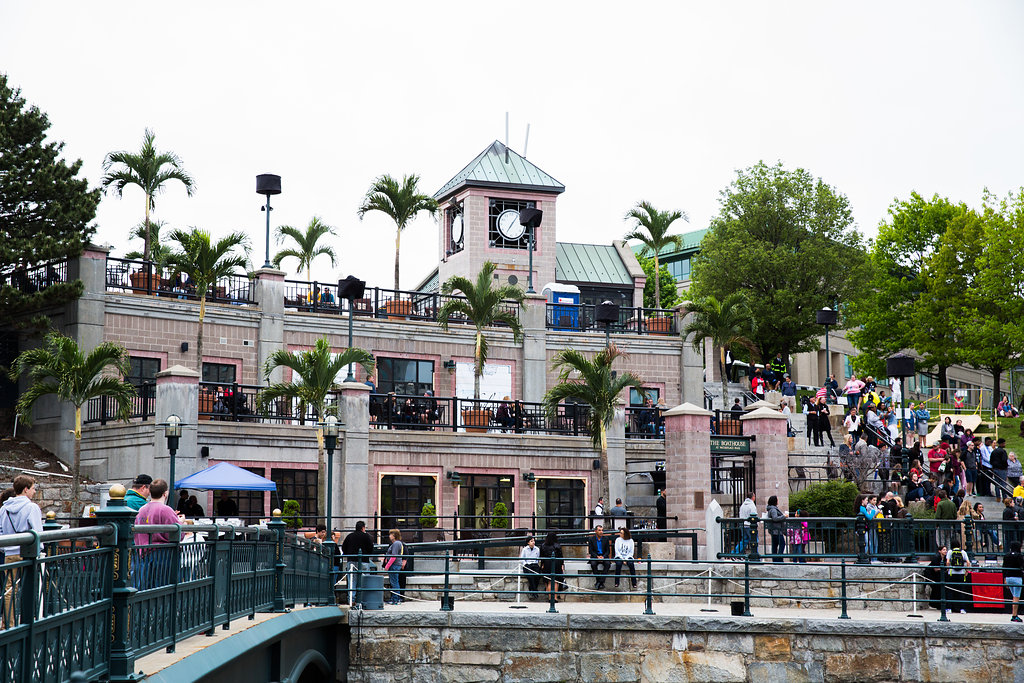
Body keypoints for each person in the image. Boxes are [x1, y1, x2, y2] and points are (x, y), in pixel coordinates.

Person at [1, 475, 42, 627]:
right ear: (26, 489)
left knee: (9, 589)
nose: (34, 492)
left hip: (9, 554)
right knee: (29, 586)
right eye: (33, 489)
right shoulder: (31, 508)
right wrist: (40, 551)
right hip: (27, 553)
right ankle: (28, 622)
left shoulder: (4, 509)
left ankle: (8, 624)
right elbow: (37, 531)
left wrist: (6, 548)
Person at [133, 479, 185, 590]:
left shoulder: (142, 510)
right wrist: (180, 523)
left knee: (146, 588)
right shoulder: (166, 510)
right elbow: (178, 535)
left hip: (144, 552)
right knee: (163, 588)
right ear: (165, 493)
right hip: (163, 555)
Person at [946, 544, 971, 614]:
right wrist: (967, 571)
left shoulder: (950, 552)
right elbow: (968, 562)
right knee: (961, 591)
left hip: (951, 573)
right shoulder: (963, 552)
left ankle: (949, 608)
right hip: (961, 574)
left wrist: (947, 569)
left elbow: (947, 562)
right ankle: (962, 609)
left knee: (950, 591)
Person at [539, 531, 565, 601]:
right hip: (556, 563)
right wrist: (562, 565)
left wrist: (542, 565)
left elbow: (541, 557)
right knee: (555, 581)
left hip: (547, 563)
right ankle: (555, 598)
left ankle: (550, 597)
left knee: (548, 581)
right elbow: (561, 556)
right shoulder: (557, 545)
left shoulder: (543, 545)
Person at [383, 529, 405, 605]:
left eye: (390, 534)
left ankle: (395, 599)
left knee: (394, 582)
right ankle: (395, 598)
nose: (389, 536)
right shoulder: (397, 543)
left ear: (394, 536)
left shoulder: (396, 544)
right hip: (395, 564)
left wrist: (387, 566)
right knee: (394, 582)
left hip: (394, 565)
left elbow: (394, 556)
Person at [1003, 541, 1023, 622]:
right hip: (1017, 578)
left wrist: (1004, 579)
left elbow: (1004, 568)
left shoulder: (1007, 555)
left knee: (1014, 596)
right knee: (1016, 597)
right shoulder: (1019, 556)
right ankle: (1014, 615)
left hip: (1008, 578)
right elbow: (1022, 566)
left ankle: (1014, 614)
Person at [924, 544, 949, 610]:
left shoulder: (945, 558)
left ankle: (937, 604)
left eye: (946, 550)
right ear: (939, 551)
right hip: (931, 574)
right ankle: (934, 603)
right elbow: (935, 568)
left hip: (938, 574)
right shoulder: (936, 557)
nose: (945, 551)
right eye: (944, 550)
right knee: (936, 588)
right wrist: (944, 568)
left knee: (939, 588)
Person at [587, 525, 611, 590]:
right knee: (593, 564)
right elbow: (590, 551)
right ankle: (599, 581)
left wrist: (603, 556)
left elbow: (608, 551)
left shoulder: (606, 539)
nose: (601, 532)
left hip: (603, 556)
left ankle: (600, 582)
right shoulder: (591, 539)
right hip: (595, 556)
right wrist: (597, 556)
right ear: (595, 531)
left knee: (608, 564)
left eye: (602, 530)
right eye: (599, 530)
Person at [765, 495, 787, 562]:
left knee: (775, 545)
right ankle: (779, 559)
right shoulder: (773, 509)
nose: (778, 501)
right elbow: (775, 518)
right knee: (782, 544)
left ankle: (775, 560)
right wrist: (784, 516)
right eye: (777, 500)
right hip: (777, 530)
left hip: (774, 530)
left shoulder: (770, 509)